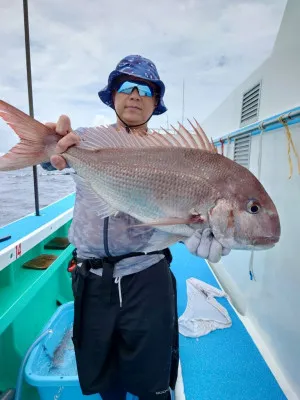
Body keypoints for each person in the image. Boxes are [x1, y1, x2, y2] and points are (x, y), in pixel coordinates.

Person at [41, 54, 230, 400]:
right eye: (126, 86)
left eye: (146, 89)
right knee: (104, 376)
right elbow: (51, 162)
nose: (135, 94)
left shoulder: (169, 153)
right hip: (91, 280)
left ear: (156, 102)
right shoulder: (84, 140)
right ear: (112, 95)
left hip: (147, 277)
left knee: (152, 381)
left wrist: (198, 230)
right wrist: (50, 146)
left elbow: (185, 217)